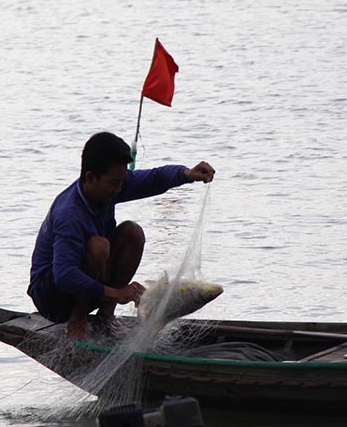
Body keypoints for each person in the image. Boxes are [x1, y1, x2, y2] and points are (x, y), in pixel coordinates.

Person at [28, 132, 215, 339]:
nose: (119, 189)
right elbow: (64, 274)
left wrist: (187, 174)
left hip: (85, 282)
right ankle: (77, 319)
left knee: (132, 233)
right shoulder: (69, 213)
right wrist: (117, 293)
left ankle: (106, 315)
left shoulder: (112, 185)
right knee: (99, 247)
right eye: (113, 183)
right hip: (52, 296)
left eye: (121, 182)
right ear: (90, 178)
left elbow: (154, 178)